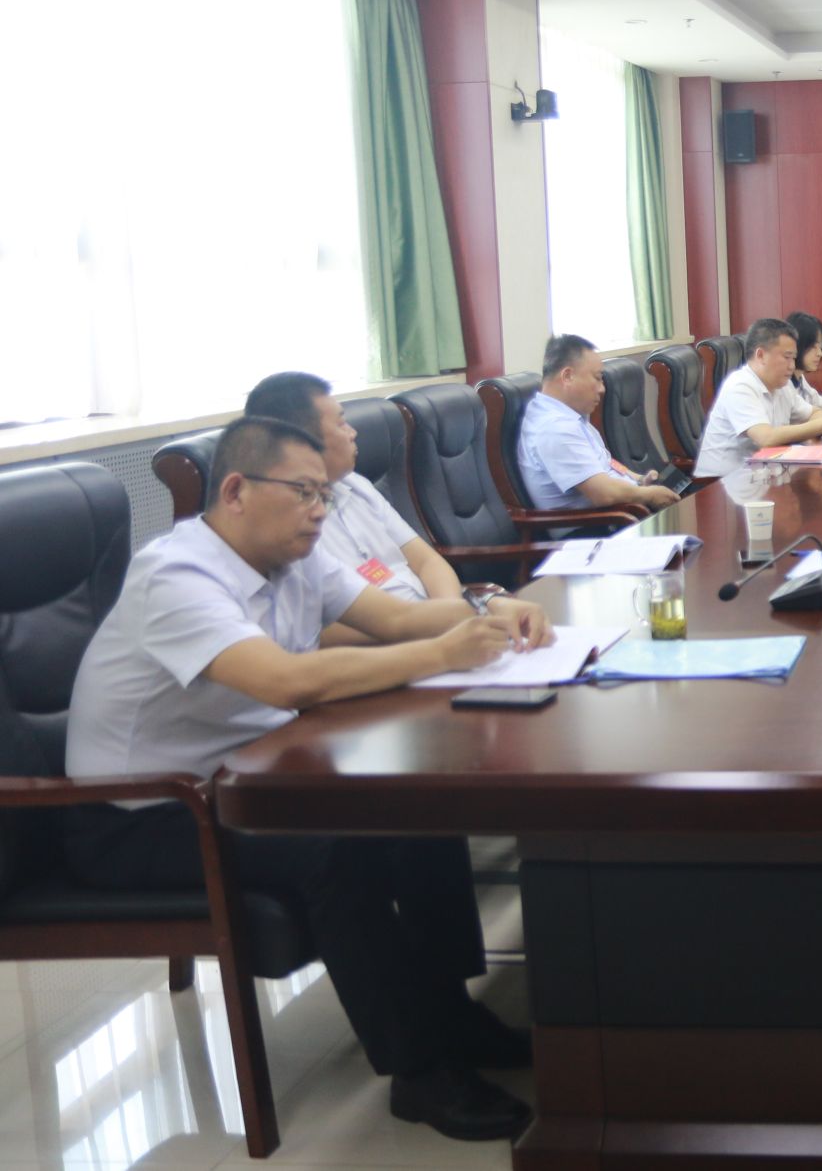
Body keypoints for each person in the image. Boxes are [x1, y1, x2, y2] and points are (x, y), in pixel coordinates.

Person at [64, 416, 557, 1140]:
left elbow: (398, 620)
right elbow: (285, 680)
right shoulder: (176, 575)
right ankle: (419, 1070)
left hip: (242, 776)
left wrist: (489, 611)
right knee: (333, 849)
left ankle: (451, 1012)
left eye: (324, 494)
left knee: (417, 804)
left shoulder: (294, 555)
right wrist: (444, 653)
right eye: (303, 492)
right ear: (236, 490)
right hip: (137, 816)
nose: (320, 510)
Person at [244, 372, 464, 608]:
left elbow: (427, 561)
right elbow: (318, 621)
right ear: (302, 441)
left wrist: (452, 611)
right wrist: (434, 621)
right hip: (397, 629)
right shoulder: (279, 527)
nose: (353, 433)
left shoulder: (355, 484)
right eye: (341, 424)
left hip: (435, 615)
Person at [517, 334, 683, 511]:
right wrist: (649, 494)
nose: (602, 388)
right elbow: (604, 494)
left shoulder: (569, 416)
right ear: (567, 376)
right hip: (604, 523)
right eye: (597, 378)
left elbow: (606, 464)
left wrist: (640, 480)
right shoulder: (554, 428)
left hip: (624, 510)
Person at [694, 317, 822, 478]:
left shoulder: (782, 385)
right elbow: (766, 437)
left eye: (794, 358)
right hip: (721, 483)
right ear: (761, 355)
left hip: (762, 474)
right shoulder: (740, 386)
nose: (792, 366)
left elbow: (814, 413)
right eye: (787, 357)